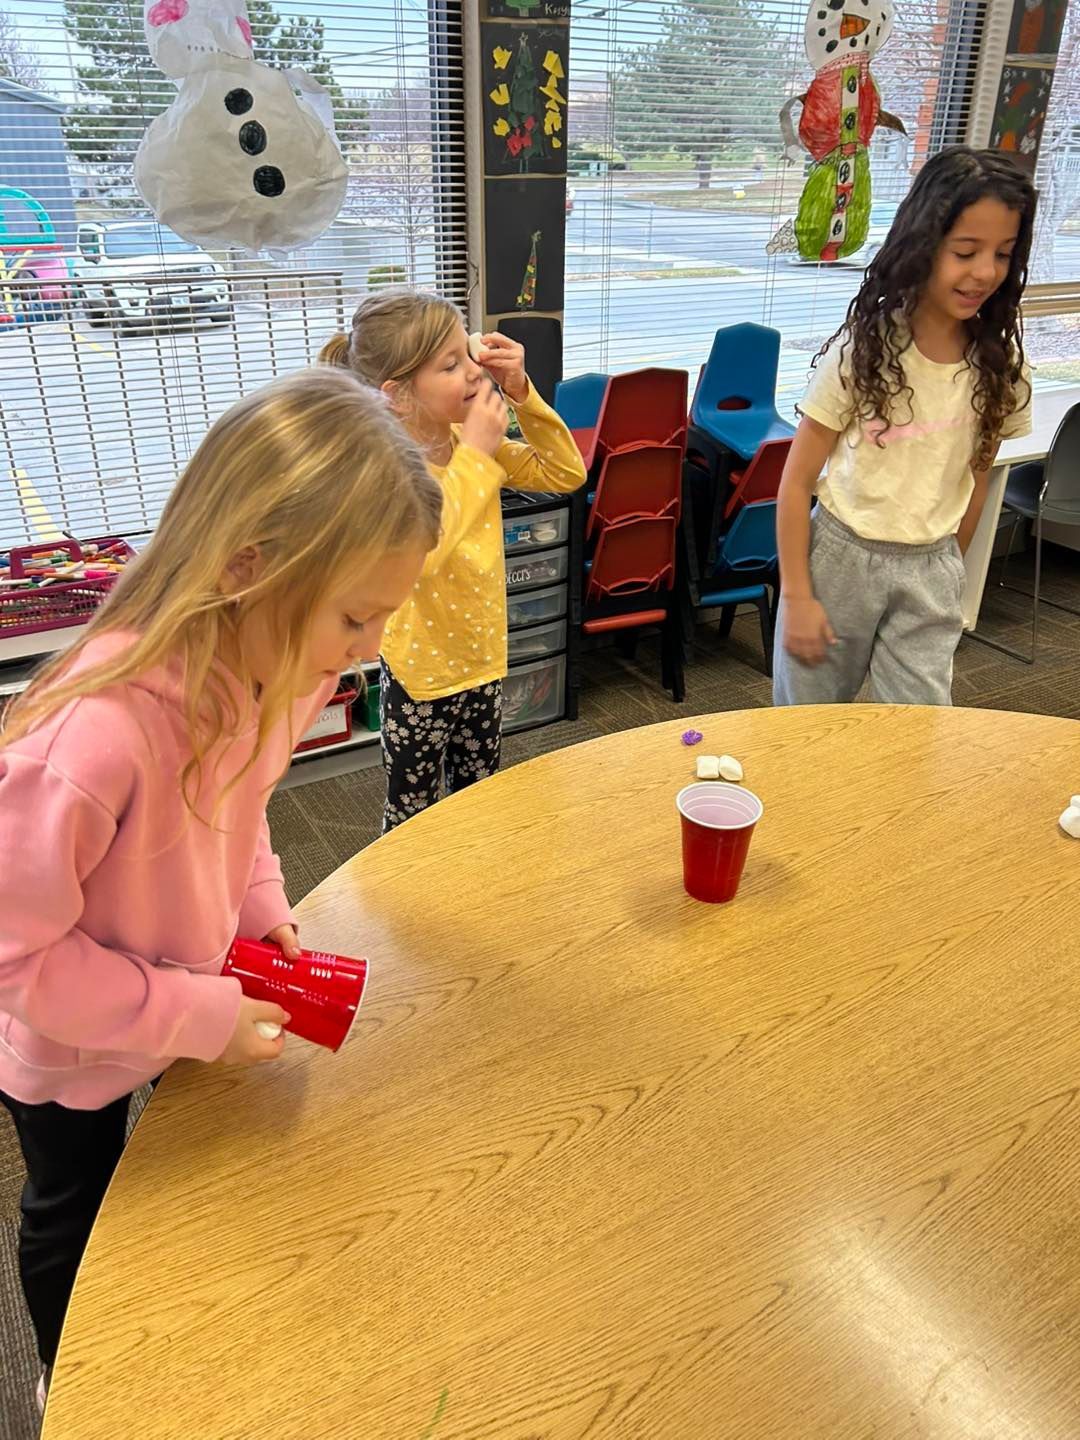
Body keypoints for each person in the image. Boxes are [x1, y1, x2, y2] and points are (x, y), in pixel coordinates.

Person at [0, 368, 442, 1407]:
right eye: (352, 619)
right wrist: (197, 1011)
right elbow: (20, 959)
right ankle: (76, 1387)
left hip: (174, 997)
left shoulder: (280, 672)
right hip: (64, 1044)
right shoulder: (90, 737)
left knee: (169, 1194)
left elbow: (243, 817)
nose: (370, 654)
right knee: (74, 1210)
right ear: (247, 569)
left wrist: (262, 912)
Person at [773, 146, 1037, 707]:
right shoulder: (864, 351)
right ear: (923, 247)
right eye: (966, 251)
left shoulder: (1000, 367)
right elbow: (796, 484)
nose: (986, 272)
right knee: (805, 731)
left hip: (930, 564)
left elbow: (978, 478)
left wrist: (949, 568)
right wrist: (797, 595)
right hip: (840, 557)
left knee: (917, 735)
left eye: (1003, 254)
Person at [321, 290, 586, 831]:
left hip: (482, 661)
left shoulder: (469, 440)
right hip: (421, 677)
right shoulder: (388, 469)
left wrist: (523, 394)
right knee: (412, 819)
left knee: (480, 806)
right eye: (450, 365)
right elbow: (421, 554)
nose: (474, 372)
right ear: (396, 394)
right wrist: (477, 457)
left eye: (468, 353)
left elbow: (565, 473)